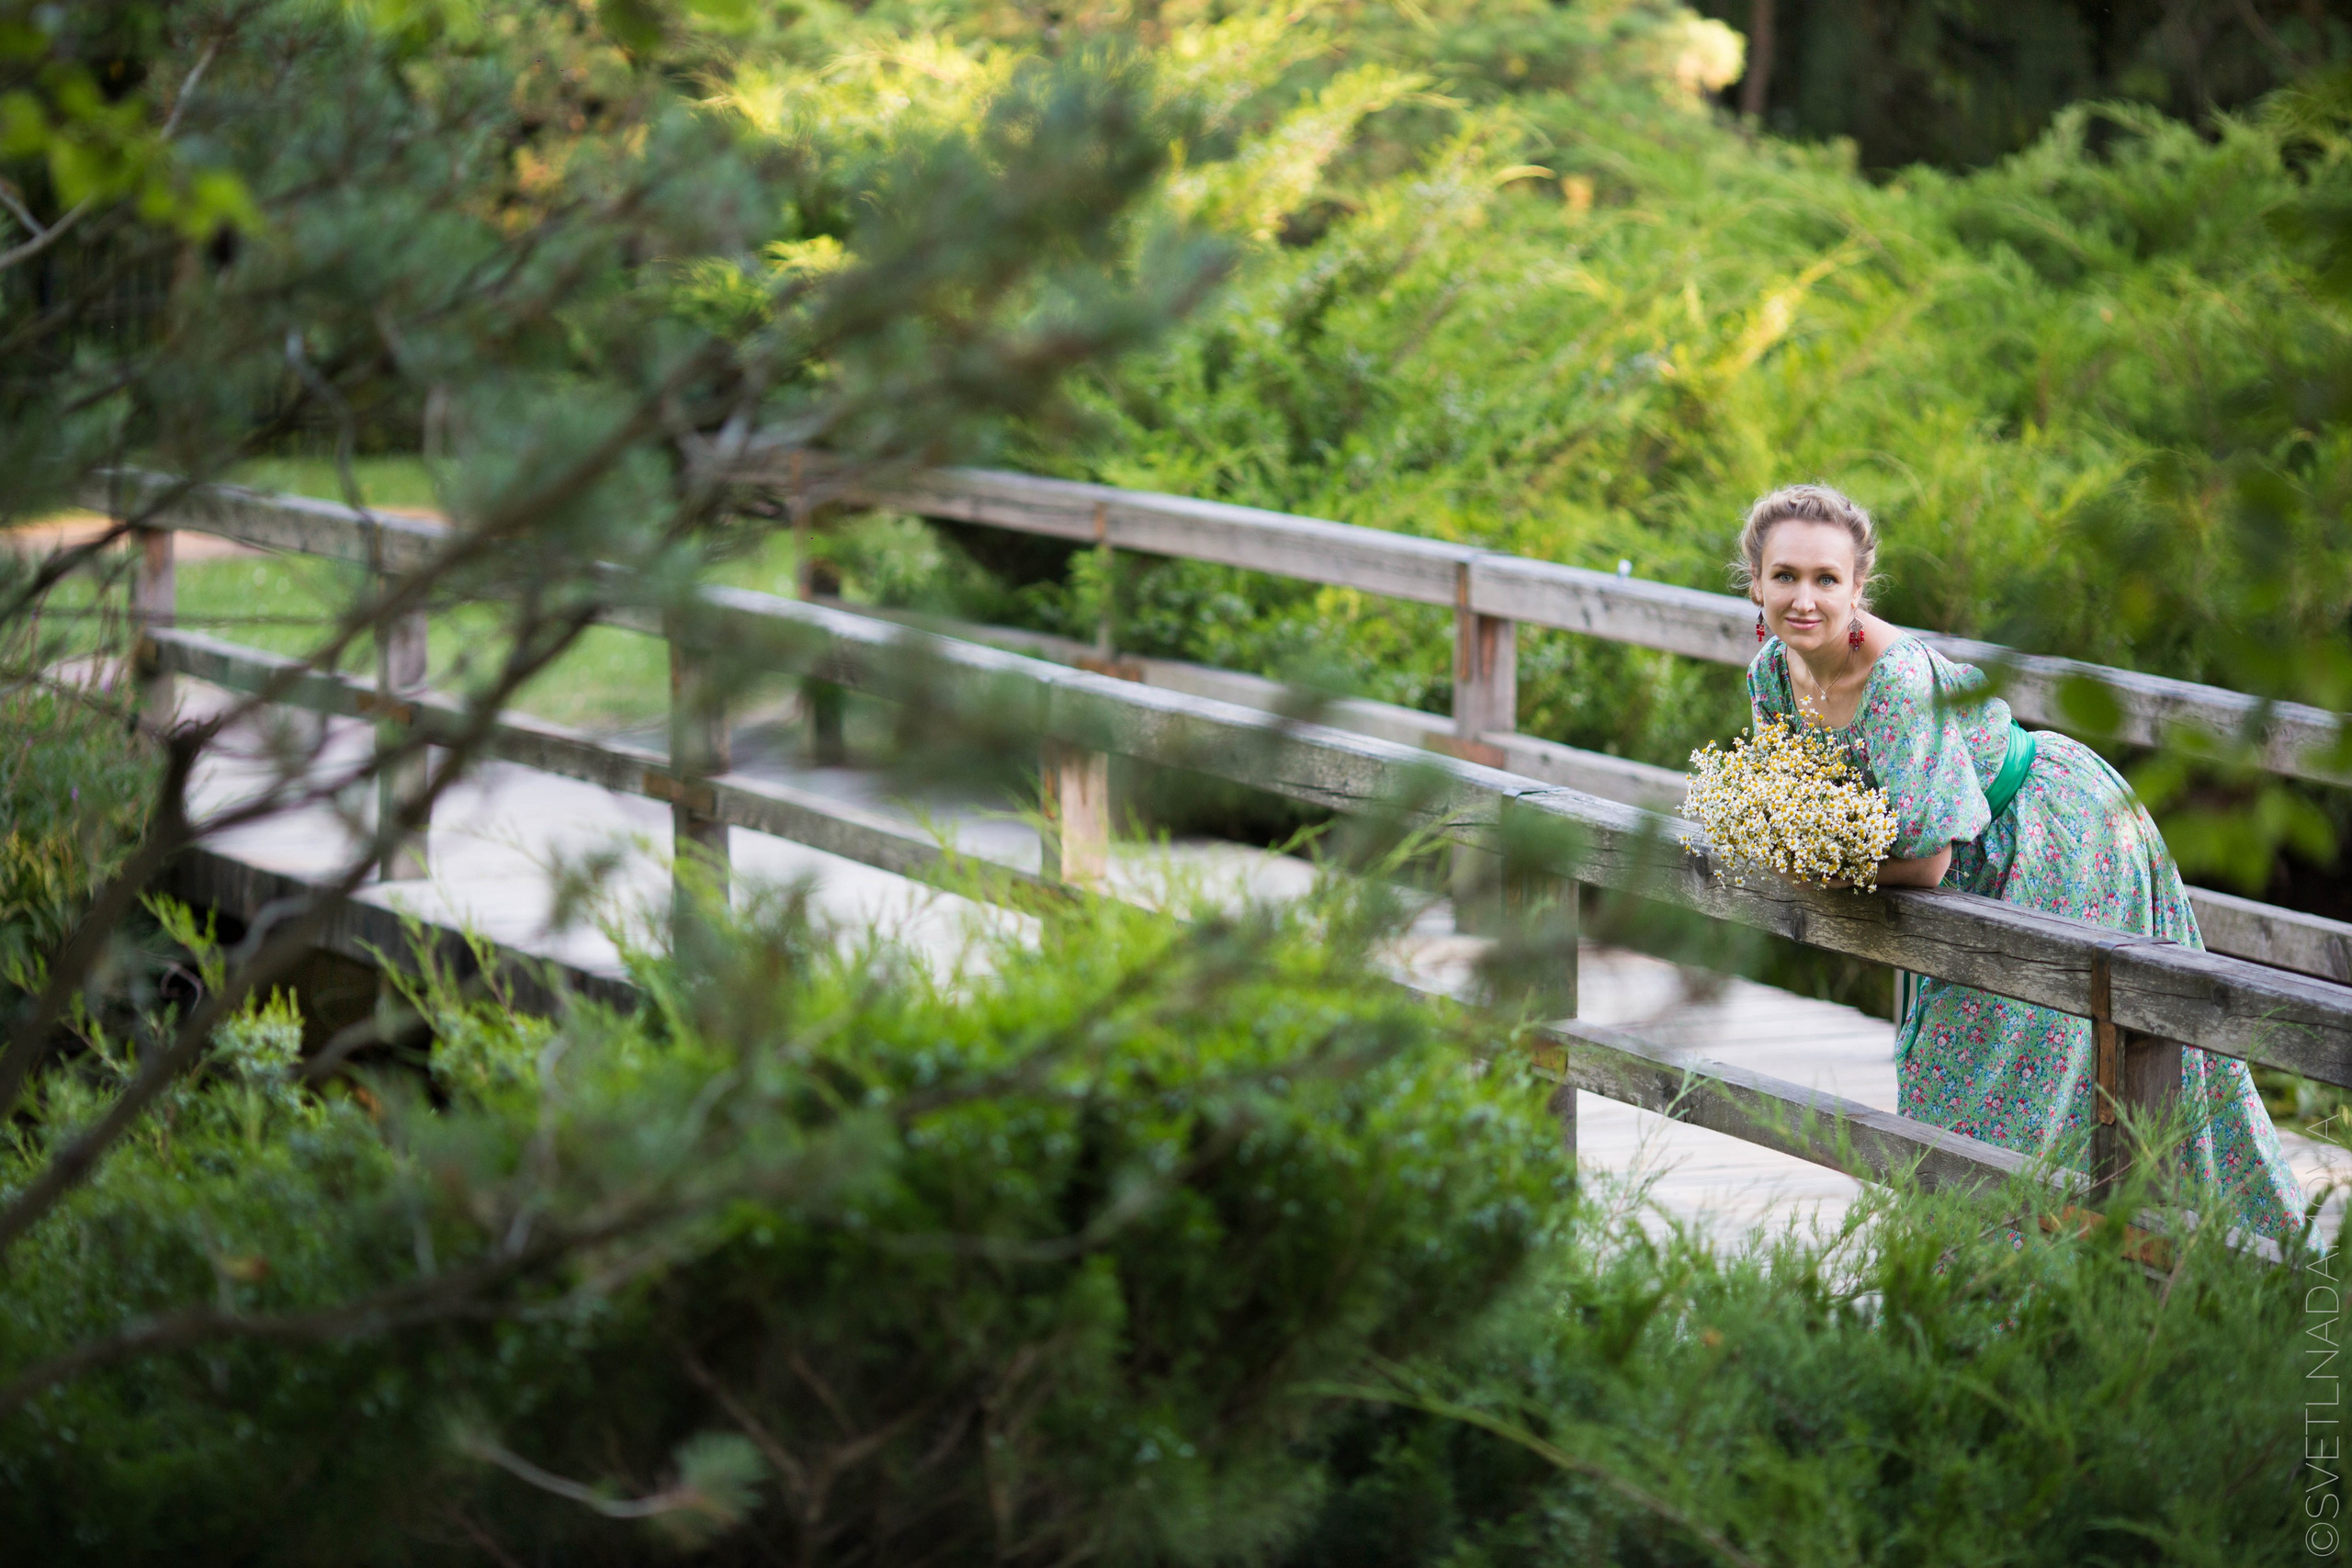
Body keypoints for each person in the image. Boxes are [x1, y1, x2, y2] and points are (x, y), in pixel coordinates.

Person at [1739, 482, 2302, 1238]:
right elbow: (1798, 803)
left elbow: (1928, 862)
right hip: (1956, 862)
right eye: (1785, 577)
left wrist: (1823, 868)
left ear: (1858, 588)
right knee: (1963, 1078)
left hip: (2053, 838)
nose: (1803, 598)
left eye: (1825, 578)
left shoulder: (1897, 680)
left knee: (2013, 1079)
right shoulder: (1771, 676)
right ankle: (2000, 1286)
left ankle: (2224, 1259)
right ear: (1756, 583)